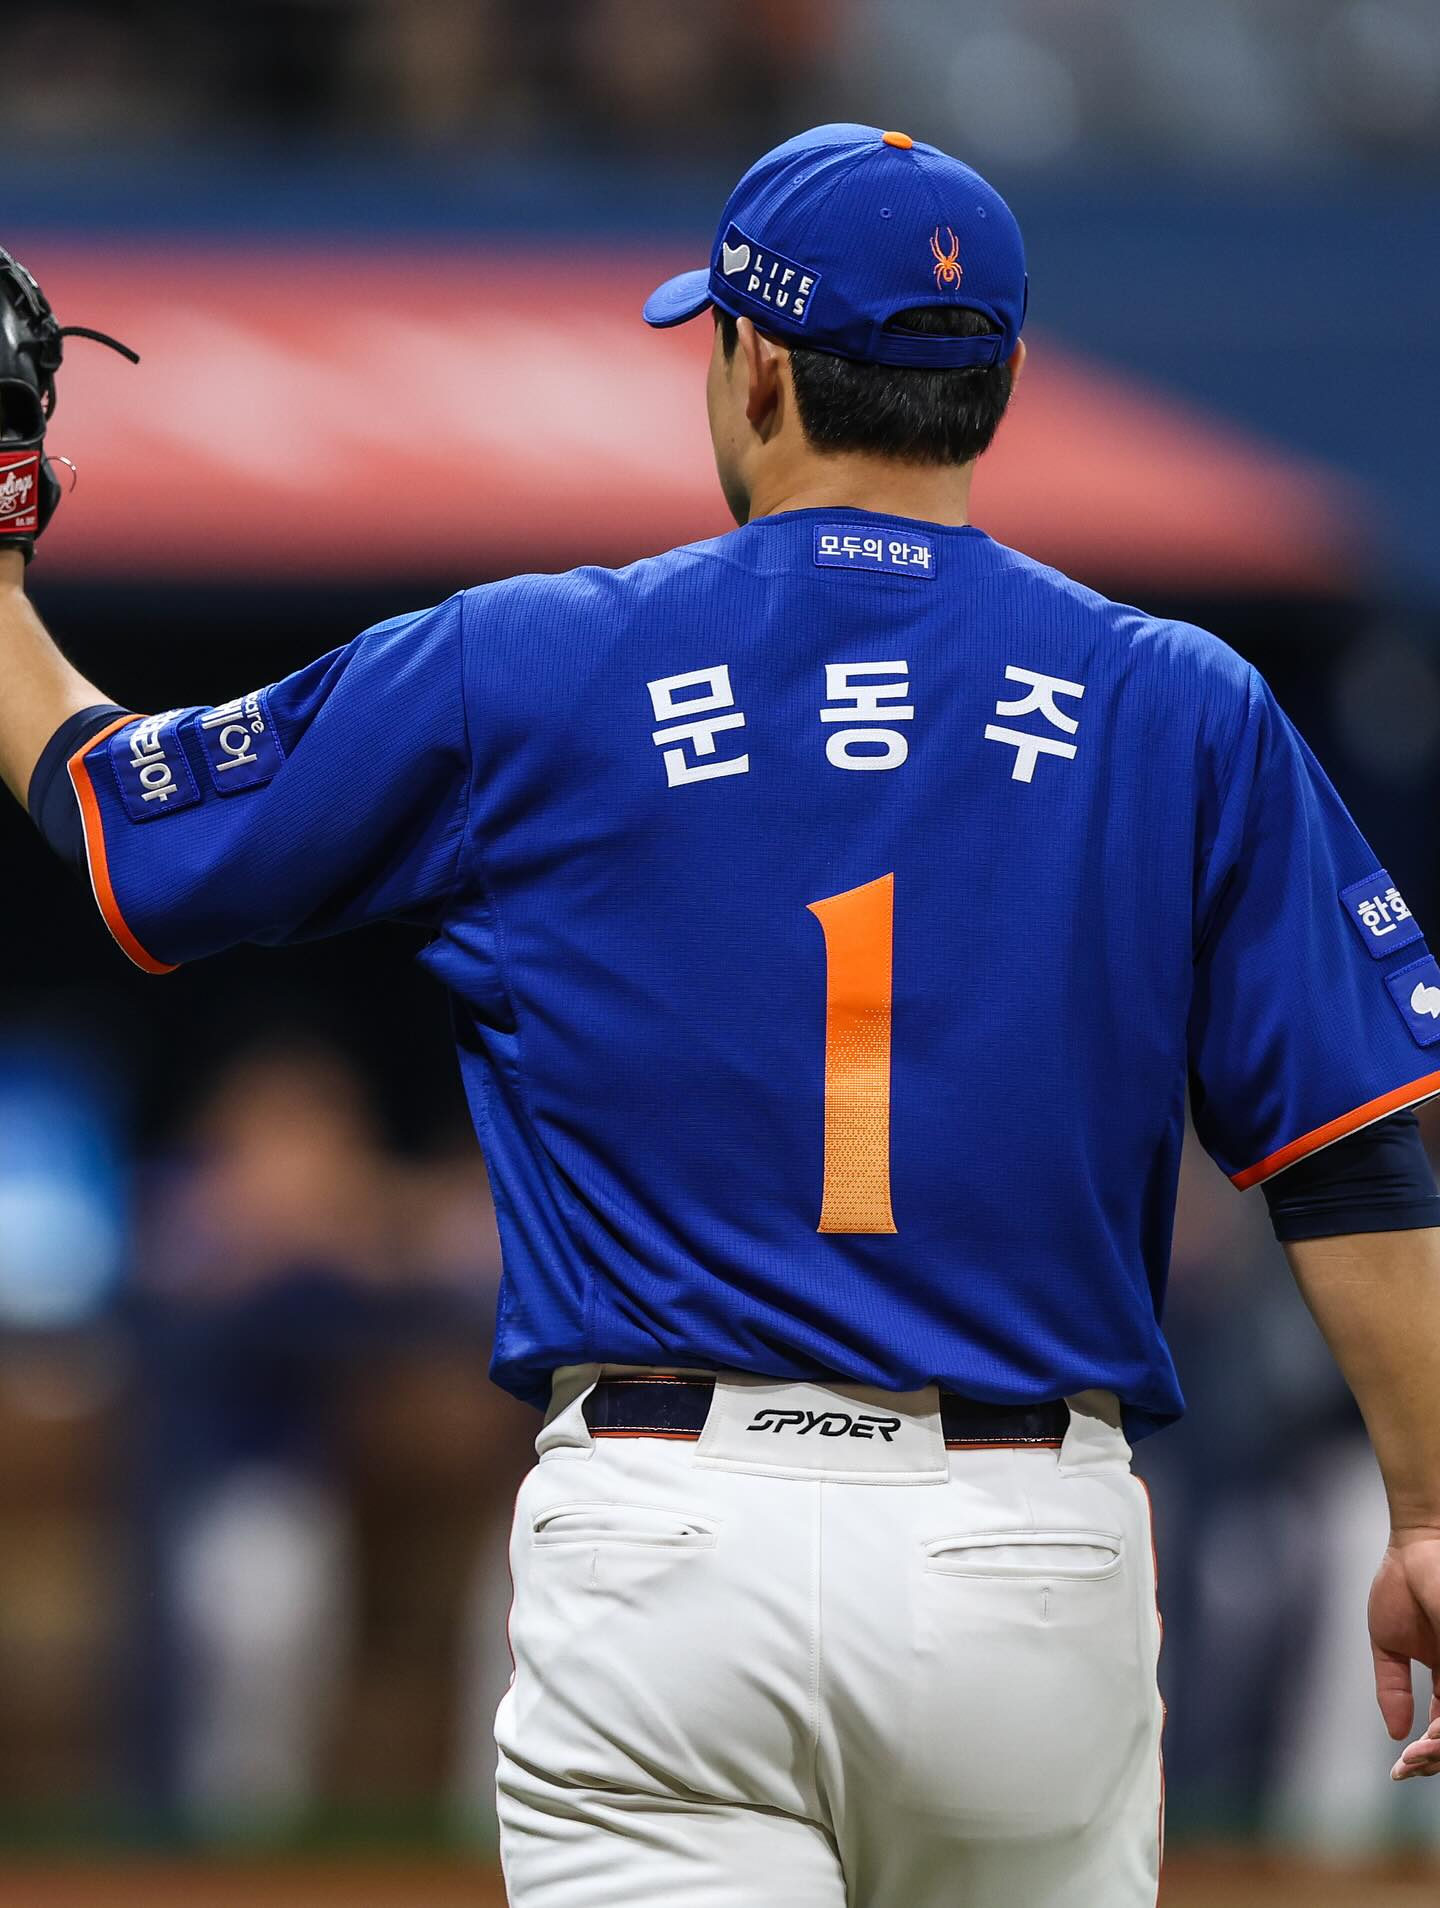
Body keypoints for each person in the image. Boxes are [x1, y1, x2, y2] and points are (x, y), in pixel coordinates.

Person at [4, 123, 1440, 1907]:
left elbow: (128, 826)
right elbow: (1355, 1151)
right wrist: (1428, 1511)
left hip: (673, 1532)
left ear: (755, 362)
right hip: (1024, 1547)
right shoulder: (1181, 703)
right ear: (995, 385)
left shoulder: (534, 663)